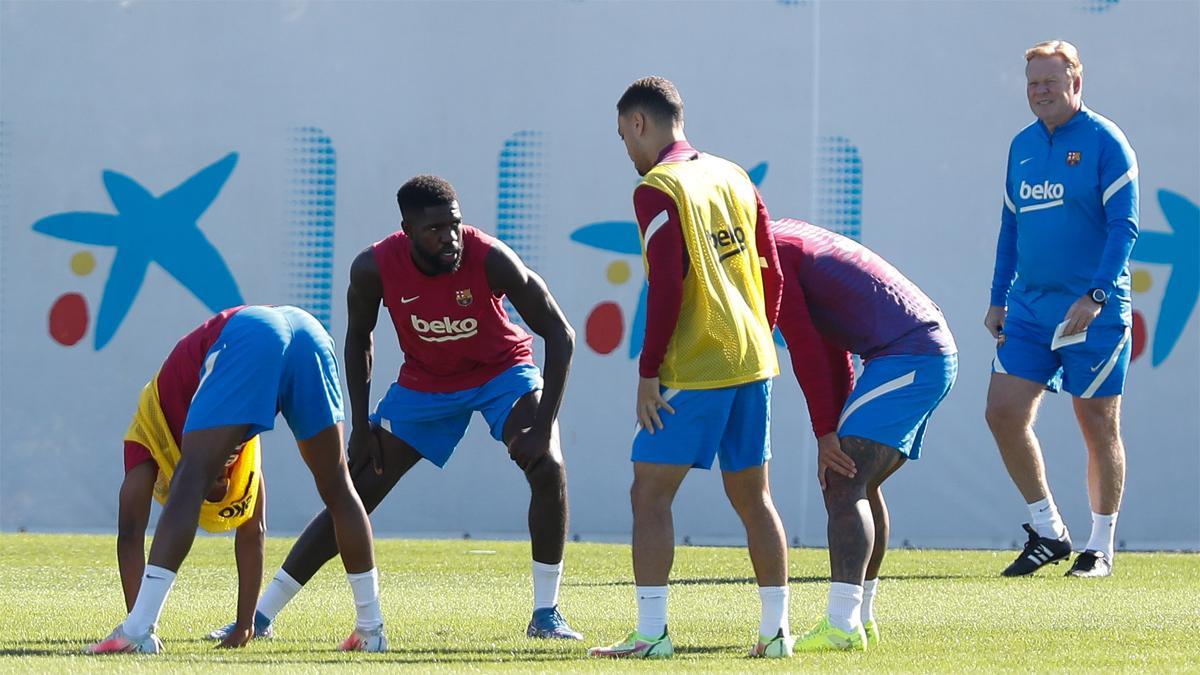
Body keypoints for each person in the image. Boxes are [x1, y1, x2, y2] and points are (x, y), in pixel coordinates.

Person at [235, 175, 582, 641]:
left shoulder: (490, 258)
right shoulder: (373, 267)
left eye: (455, 225)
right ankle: (261, 616)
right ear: (407, 229)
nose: (450, 238)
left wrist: (543, 426)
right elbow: (359, 338)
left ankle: (546, 615)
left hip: (501, 372)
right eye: (435, 229)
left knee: (548, 467)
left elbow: (561, 335)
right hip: (427, 385)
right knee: (354, 491)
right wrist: (361, 426)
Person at [589, 76, 790, 660]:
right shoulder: (733, 174)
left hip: (695, 367)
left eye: (623, 134)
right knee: (756, 499)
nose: (626, 149)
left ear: (638, 123)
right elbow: (771, 270)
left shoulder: (658, 187)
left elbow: (669, 287)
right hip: (752, 361)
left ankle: (651, 636)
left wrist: (648, 371)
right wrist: (759, 331)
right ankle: (776, 636)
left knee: (649, 495)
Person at [86, 305, 385, 654]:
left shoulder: (150, 430)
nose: (223, 482)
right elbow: (249, 528)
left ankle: (137, 631)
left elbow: (132, 532)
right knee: (338, 486)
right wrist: (246, 626)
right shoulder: (216, 436)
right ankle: (371, 630)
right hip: (307, 331)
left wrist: (138, 622)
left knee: (190, 478)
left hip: (253, 332)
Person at [985, 40, 1138, 579]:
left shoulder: (1106, 142)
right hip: (1028, 308)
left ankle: (1100, 546)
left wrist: (1096, 296)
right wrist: (998, 297)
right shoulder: (1022, 145)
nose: (1039, 91)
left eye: (1050, 81)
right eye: (1032, 83)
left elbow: (1124, 227)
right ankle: (1049, 530)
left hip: (1092, 311)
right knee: (1002, 412)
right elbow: (1012, 226)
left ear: (1076, 82)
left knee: (1096, 423)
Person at [772, 218, 957, 651]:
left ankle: (841, 624)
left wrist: (825, 434)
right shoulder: (784, 236)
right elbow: (829, 342)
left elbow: (807, 346)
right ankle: (860, 619)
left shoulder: (771, 252)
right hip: (918, 352)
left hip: (910, 355)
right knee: (859, 481)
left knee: (844, 481)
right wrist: (834, 428)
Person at [117, 346, 269, 649]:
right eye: (216, 482)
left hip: (204, 388)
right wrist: (139, 626)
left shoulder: (243, 460)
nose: (219, 479)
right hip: (176, 391)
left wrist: (244, 626)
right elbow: (130, 532)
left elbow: (254, 531)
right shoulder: (152, 433)